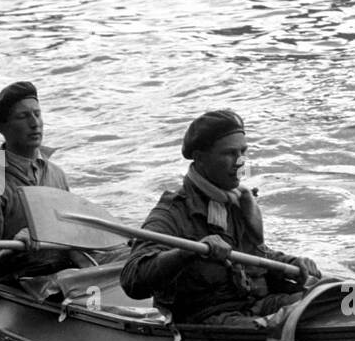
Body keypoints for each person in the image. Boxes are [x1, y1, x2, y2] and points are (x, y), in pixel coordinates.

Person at [120, 110, 321, 325]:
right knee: (294, 324)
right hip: (209, 318)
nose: (240, 162)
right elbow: (133, 279)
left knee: (330, 301)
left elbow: (255, 254)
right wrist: (188, 251)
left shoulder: (239, 201)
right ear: (200, 157)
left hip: (256, 305)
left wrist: (292, 264)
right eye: (230, 154)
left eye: (243, 152)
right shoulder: (172, 213)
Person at [0, 81, 84, 284]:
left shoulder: (57, 174)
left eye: (37, 114)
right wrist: (9, 252)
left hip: (64, 278)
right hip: (21, 285)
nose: (34, 123)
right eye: (23, 116)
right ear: (3, 128)